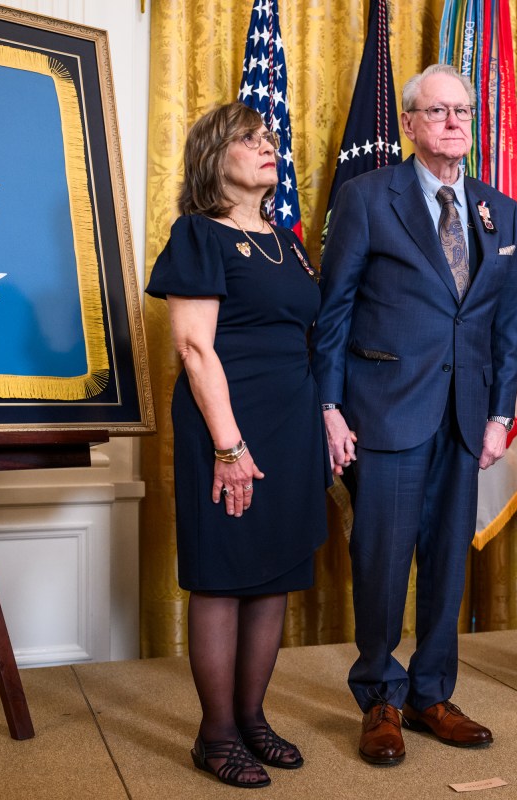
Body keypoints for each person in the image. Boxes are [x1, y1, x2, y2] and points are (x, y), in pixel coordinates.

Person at [311, 64, 517, 765]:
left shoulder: (499, 209)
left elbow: (502, 321)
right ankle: (379, 694)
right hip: (387, 415)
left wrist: (500, 413)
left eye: (462, 111)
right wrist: (330, 406)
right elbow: (334, 312)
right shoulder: (370, 198)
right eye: (437, 112)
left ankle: (432, 692)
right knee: (381, 562)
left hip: (466, 419)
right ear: (409, 123)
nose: (453, 122)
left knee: (445, 569)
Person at [146, 102, 331, 787]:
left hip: (291, 424)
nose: (266, 145)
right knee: (224, 575)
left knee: (275, 571)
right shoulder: (199, 235)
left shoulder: (287, 242)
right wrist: (228, 446)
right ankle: (215, 732)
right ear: (212, 156)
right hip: (225, 422)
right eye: (249, 139)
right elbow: (195, 348)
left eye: (269, 138)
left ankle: (252, 718)